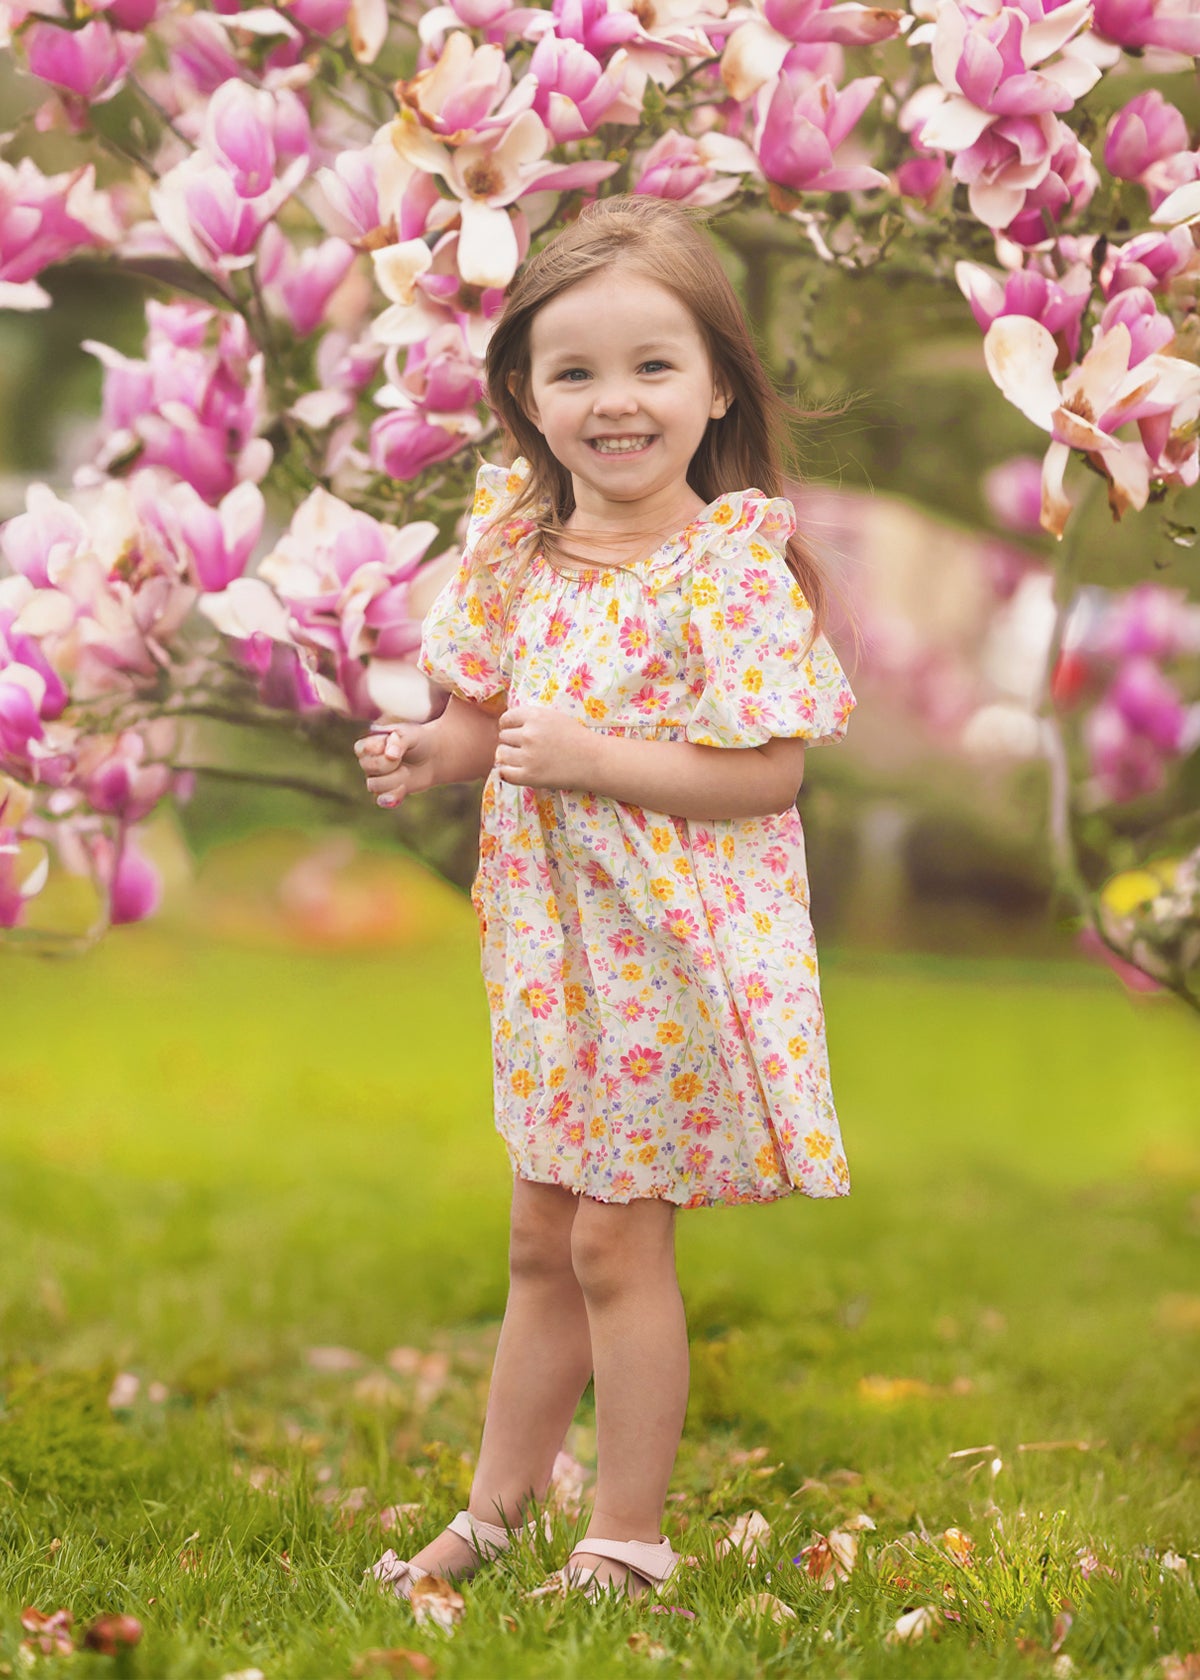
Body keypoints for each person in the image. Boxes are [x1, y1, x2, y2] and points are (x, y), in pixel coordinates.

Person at [354, 194, 856, 1602]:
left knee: (613, 1238)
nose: (615, 402)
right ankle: (497, 1513)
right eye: (575, 372)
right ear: (524, 391)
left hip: (675, 951)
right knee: (539, 1232)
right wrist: (425, 750)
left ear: (714, 389)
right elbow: (484, 729)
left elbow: (770, 775)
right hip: (551, 951)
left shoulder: (726, 567)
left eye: (652, 366)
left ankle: (626, 1537)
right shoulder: (516, 552)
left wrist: (597, 760)